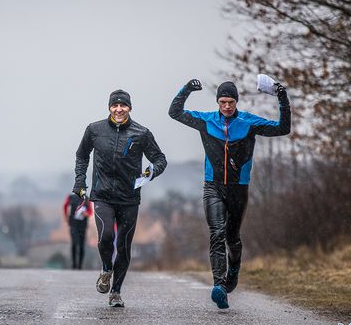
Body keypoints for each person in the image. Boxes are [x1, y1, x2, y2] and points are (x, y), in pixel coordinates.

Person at [168, 79, 291, 309]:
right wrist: (186, 89)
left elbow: (283, 128)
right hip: (212, 186)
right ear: (217, 102)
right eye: (223, 102)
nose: (226, 106)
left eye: (230, 102)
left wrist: (282, 98)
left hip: (238, 188)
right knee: (217, 233)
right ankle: (219, 286)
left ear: (236, 102)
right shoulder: (206, 121)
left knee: (232, 237)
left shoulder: (248, 122)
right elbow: (174, 112)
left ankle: (234, 270)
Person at [73, 89, 167, 307]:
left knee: (124, 246)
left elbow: (160, 159)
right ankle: (107, 269)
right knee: (106, 236)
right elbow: (81, 155)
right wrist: (80, 182)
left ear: (129, 108)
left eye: (123, 106)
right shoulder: (94, 130)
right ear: (109, 107)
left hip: (129, 198)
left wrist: (151, 172)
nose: (118, 109)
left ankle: (115, 292)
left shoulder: (141, 133)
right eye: (114, 105)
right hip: (102, 195)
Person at [63, 193, 92, 269]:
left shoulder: (86, 199)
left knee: (82, 245)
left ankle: (80, 265)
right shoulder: (71, 197)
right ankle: (74, 264)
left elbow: (90, 212)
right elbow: (65, 206)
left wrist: (86, 213)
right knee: (74, 243)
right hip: (73, 224)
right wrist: (66, 216)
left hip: (83, 225)